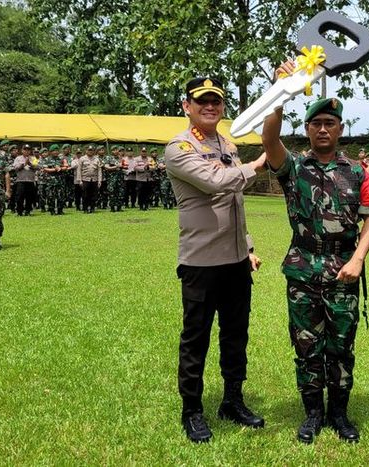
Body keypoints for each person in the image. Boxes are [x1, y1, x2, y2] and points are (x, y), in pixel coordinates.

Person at [262, 62, 369, 445]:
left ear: (340, 129)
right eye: (316, 123)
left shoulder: (358, 172)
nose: (323, 129)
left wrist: (359, 258)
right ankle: (313, 412)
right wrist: (280, 93)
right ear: (307, 129)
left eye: (330, 123)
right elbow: (268, 141)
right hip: (302, 267)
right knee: (306, 345)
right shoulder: (294, 167)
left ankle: (340, 414)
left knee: (341, 346)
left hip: (343, 269)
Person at [165, 76, 267, 444]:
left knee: (236, 335)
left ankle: (232, 401)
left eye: (217, 101)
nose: (210, 106)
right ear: (186, 106)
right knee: (196, 338)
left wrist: (249, 247)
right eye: (202, 101)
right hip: (201, 262)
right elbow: (215, 182)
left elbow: (234, 202)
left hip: (236, 260)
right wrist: (257, 165)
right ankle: (191, 411)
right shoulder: (179, 148)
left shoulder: (227, 143)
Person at [12, 144, 38, 216]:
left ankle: (28, 211)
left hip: (30, 181)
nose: (26, 151)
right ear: (22, 150)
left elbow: (37, 167)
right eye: (25, 149)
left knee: (29, 197)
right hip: (21, 181)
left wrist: (30, 164)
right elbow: (15, 168)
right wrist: (23, 164)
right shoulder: (18, 158)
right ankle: (19, 211)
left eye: (28, 150)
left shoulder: (33, 158)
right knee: (20, 197)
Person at [76, 144, 102, 214]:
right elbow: (79, 170)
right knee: (85, 195)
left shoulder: (97, 159)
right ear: (86, 151)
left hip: (94, 179)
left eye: (92, 150)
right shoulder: (82, 159)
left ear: (94, 151)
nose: (90, 151)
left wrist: (100, 180)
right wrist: (80, 180)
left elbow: (99, 170)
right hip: (85, 179)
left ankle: (92, 208)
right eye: (89, 150)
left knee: (94, 195)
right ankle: (85, 208)